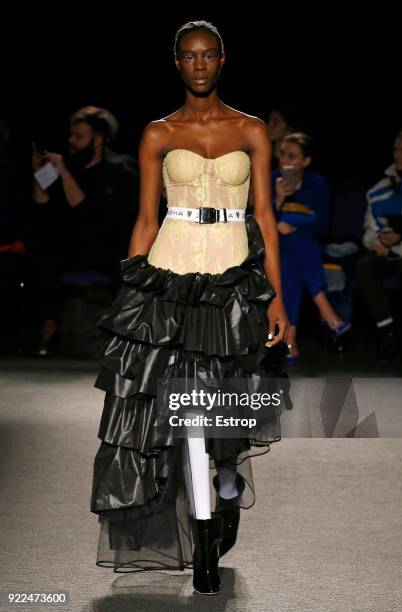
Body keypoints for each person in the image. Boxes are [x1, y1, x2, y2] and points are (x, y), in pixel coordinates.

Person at [90, 20, 289, 596]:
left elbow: (267, 222)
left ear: (222, 60)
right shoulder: (157, 133)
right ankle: (202, 536)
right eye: (188, 56)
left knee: (224, 411)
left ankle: (225, 490)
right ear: (176, 63)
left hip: (231, 279)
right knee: (186, 416)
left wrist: (276, 298)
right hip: (171, 274)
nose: (199, 65)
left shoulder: (251, 129)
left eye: (208, 56)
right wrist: (132, 293)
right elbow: (147, 219)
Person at [30, 106, 139, 353]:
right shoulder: (70, 167)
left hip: (107, 263)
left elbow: (93, 217)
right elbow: (42, 211)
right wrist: (40, 175)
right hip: (65, 262)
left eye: (79, 136)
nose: (71, 141)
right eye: (71, 135)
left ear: (97, 139)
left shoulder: (121, 169)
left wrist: (64, 173)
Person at [271, 132, 351, 363]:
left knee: (295, 258)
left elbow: (322, 224)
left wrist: (293, 225)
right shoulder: (270, 179)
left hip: (297, 250)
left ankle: (289, 341)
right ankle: (328, 315)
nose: (285, 160)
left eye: (293, 156)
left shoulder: (318, 183)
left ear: (305, 161)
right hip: (272, 247)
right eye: (283, 154)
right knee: (299, 247)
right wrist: (277, 201)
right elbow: (260, 220)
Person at [356, 127, 402, 362]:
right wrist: (377, 242)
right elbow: (369, 230)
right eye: (396, 150)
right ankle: (387, 333)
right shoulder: (380, 190)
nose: (398, 155)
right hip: (388, 253)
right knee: (365, 266)